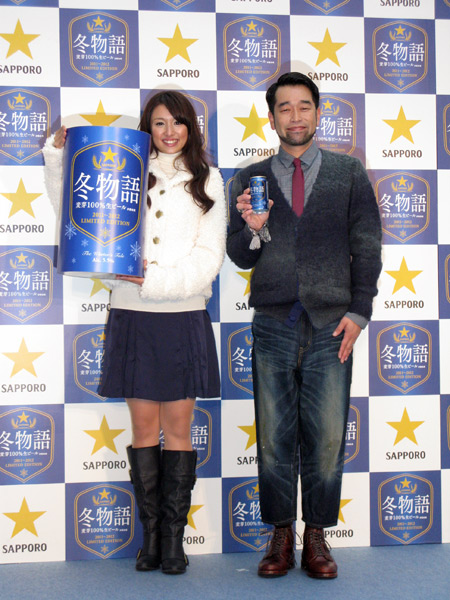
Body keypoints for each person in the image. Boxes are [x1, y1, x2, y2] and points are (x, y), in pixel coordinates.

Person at [43, 91, 226, 575]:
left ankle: (174, 541)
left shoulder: (208, 179)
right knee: (144, 429)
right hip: (132, 312)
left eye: (178, 122)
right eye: (160, 123)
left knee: (178, 430)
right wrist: (61, 157)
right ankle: (151, 539)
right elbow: (74, 211)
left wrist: (154, 280)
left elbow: (210, 258)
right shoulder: (124, 172)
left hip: (183, 313)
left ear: (190, 128)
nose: (170, 132)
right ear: (148, 128)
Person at [226, 72, 382, 579]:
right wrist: (253, 231)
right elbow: (239, 255)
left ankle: (316, 535)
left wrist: (359, 311)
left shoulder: (348, 173)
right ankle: (280, 535)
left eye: (304, 106)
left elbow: (367, 246)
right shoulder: (249, 177)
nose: (295, 116)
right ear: (271, 118)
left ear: (318, 112)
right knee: (274, 438)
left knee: (327, 438)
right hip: (273, 325)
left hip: (332, 326)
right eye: (284, 108)